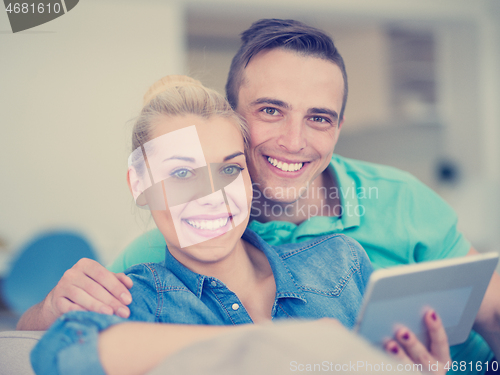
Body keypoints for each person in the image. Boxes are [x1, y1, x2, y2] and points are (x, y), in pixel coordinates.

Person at [19, 18, 500, 373]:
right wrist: (283, 349)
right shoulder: (148, 275)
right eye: (272, 110)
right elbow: (53, 346)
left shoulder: (353, 248)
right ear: (238, 122)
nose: (294, 141)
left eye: (319, 117)